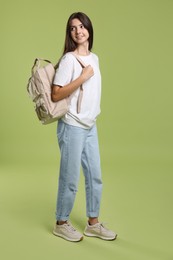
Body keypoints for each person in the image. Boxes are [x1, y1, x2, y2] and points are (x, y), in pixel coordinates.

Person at [51, 12, 117, 242]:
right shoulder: (69, 59)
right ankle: (61, 222)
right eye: (73, 28)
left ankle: (93, 224)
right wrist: (82, 76)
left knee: (95, 176)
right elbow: (56, 92)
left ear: (89, 29)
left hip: (90, 125)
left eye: (82, 26)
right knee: (70, 179)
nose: (78, 31)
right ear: (69, 34)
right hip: (71, 125)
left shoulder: (95, 58)